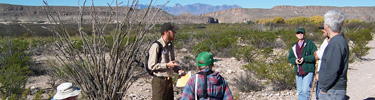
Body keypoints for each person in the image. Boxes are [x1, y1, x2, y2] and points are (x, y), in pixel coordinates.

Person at [148, 23, 184, 100]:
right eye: (173, 31)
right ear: (166, 32)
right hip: (159, 81)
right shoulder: (156, 46)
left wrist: (178, 70)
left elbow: (172, 62)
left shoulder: (170, 45)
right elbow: (151, 66)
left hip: (169, 81)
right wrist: (167, 65)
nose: (175, 33)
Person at [318, 10, 349, 100]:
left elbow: (333, 69)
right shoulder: (338, 41)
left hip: (332, 91)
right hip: (334, 90)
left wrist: (324, 89)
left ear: (327, 25)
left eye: (324, 22)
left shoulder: (336, 43)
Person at [288, 27, 317, 100]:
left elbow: (315, 55)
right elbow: (290, 58)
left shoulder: (310, 44)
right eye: (298, 33)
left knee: (305, 90)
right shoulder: (294, 46)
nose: (300, 34)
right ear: (296, 35)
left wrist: (305, 59)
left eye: (302, 33)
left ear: (304, 34)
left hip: (308, 70)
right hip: (298, 70)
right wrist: (295, 60)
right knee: (300, 91)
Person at [313, 24, 329, 100]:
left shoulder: (332, 41)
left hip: (325, 73)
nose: (322, 30)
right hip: (320, 71)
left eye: (324, 29)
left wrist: (317, 53)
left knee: (322, 95)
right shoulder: (325, 40)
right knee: (318, 95)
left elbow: (323, 54)